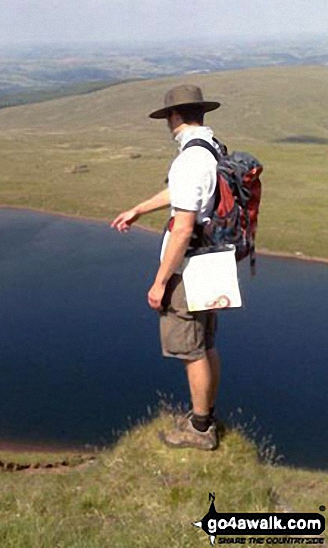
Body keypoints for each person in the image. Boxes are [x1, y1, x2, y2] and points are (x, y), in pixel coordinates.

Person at [111, 84, 223, 450]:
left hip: (188, 269)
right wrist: (139, 209)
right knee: (205, 344)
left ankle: (201, 429)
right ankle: (204, 413)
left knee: (190, 349)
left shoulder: (189, 159)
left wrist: (161, 282)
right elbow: (183, 195)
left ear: (174, 117)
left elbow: (184, 226)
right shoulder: (211, 147)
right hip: (212, 261)